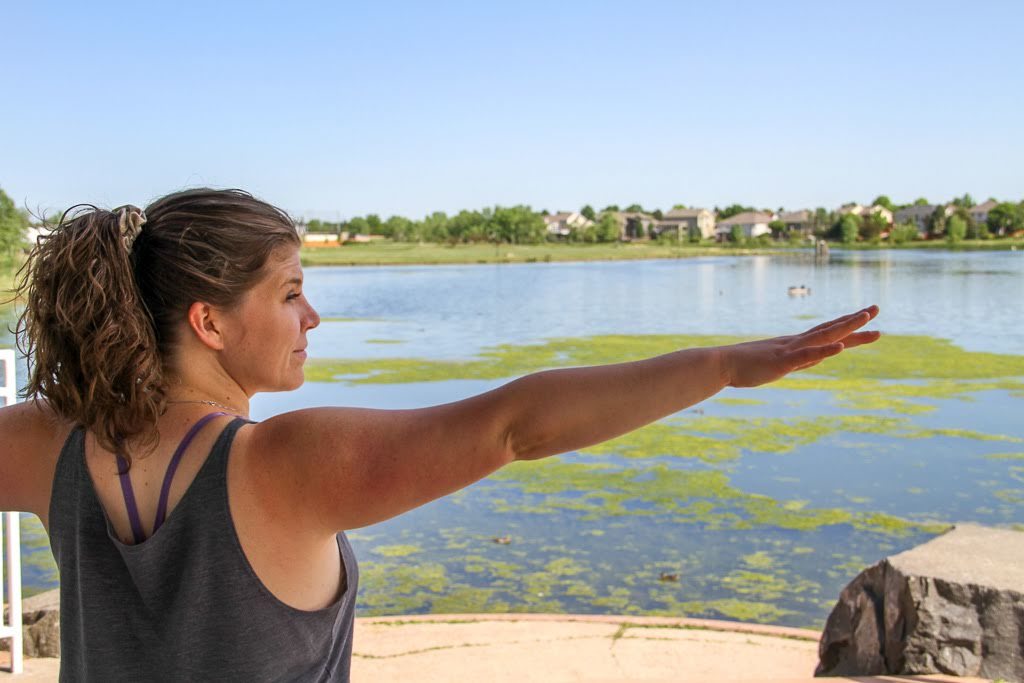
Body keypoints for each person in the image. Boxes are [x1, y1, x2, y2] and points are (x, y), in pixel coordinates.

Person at [0, 188, 880, 681]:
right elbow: (511, 426)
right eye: (288, 291)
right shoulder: (276, 465)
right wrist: (724, 365)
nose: (314, 313)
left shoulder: (55, 444)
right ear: (210, 322)